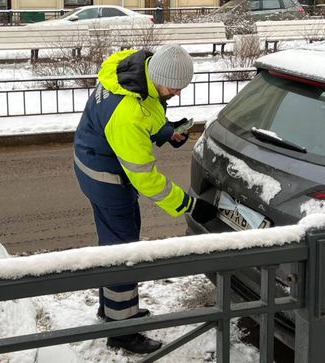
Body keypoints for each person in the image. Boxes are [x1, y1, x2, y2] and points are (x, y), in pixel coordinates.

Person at [73, 45, 217, 354]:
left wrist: (166, 131)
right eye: (173, 87)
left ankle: (110, 310)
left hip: (91, 162)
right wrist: (189, 205)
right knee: (124, 252)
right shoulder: (127, 113)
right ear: (157, 75)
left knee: (112, 245)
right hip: (107, 179)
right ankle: (123, 330)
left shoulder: (132, 71)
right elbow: (148, 180)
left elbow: (147, 110)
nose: (176, 94)